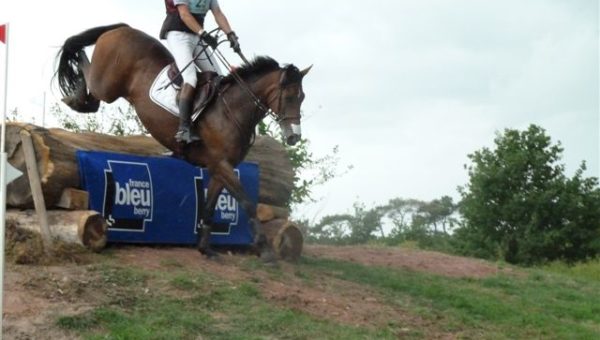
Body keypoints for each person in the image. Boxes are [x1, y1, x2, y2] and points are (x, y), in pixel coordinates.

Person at [160, 0, 241, 143]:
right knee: (190, 78)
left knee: (219, 79)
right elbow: (184, 14)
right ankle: (184, 129)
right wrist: (204, 34)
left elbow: (218, 13)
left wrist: (230, 34)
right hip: (178, 34)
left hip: (196, 36)